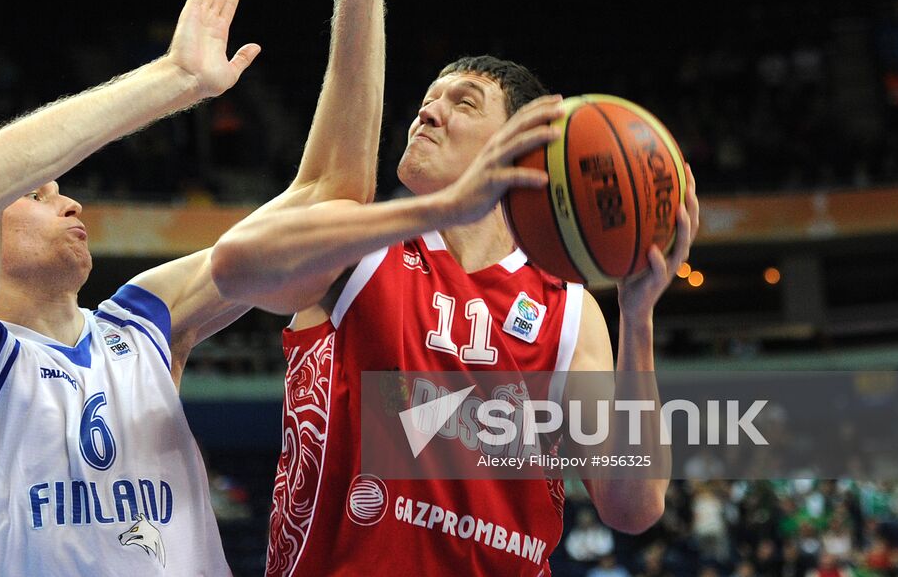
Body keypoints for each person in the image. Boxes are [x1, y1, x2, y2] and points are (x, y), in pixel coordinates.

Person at [0, 0, 386, 573]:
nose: (68, 196)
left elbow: (326, 201)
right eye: (41, 190)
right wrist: (175, 78)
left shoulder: (142, 321)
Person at [210, 56, 700, 575]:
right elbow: (234, 267)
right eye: (426, 101)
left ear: (522, 144)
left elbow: (634, 507)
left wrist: (638, 315)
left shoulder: (569, 309)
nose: (428, 114)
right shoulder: (364, 243)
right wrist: (445, 207)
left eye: (462, 102)